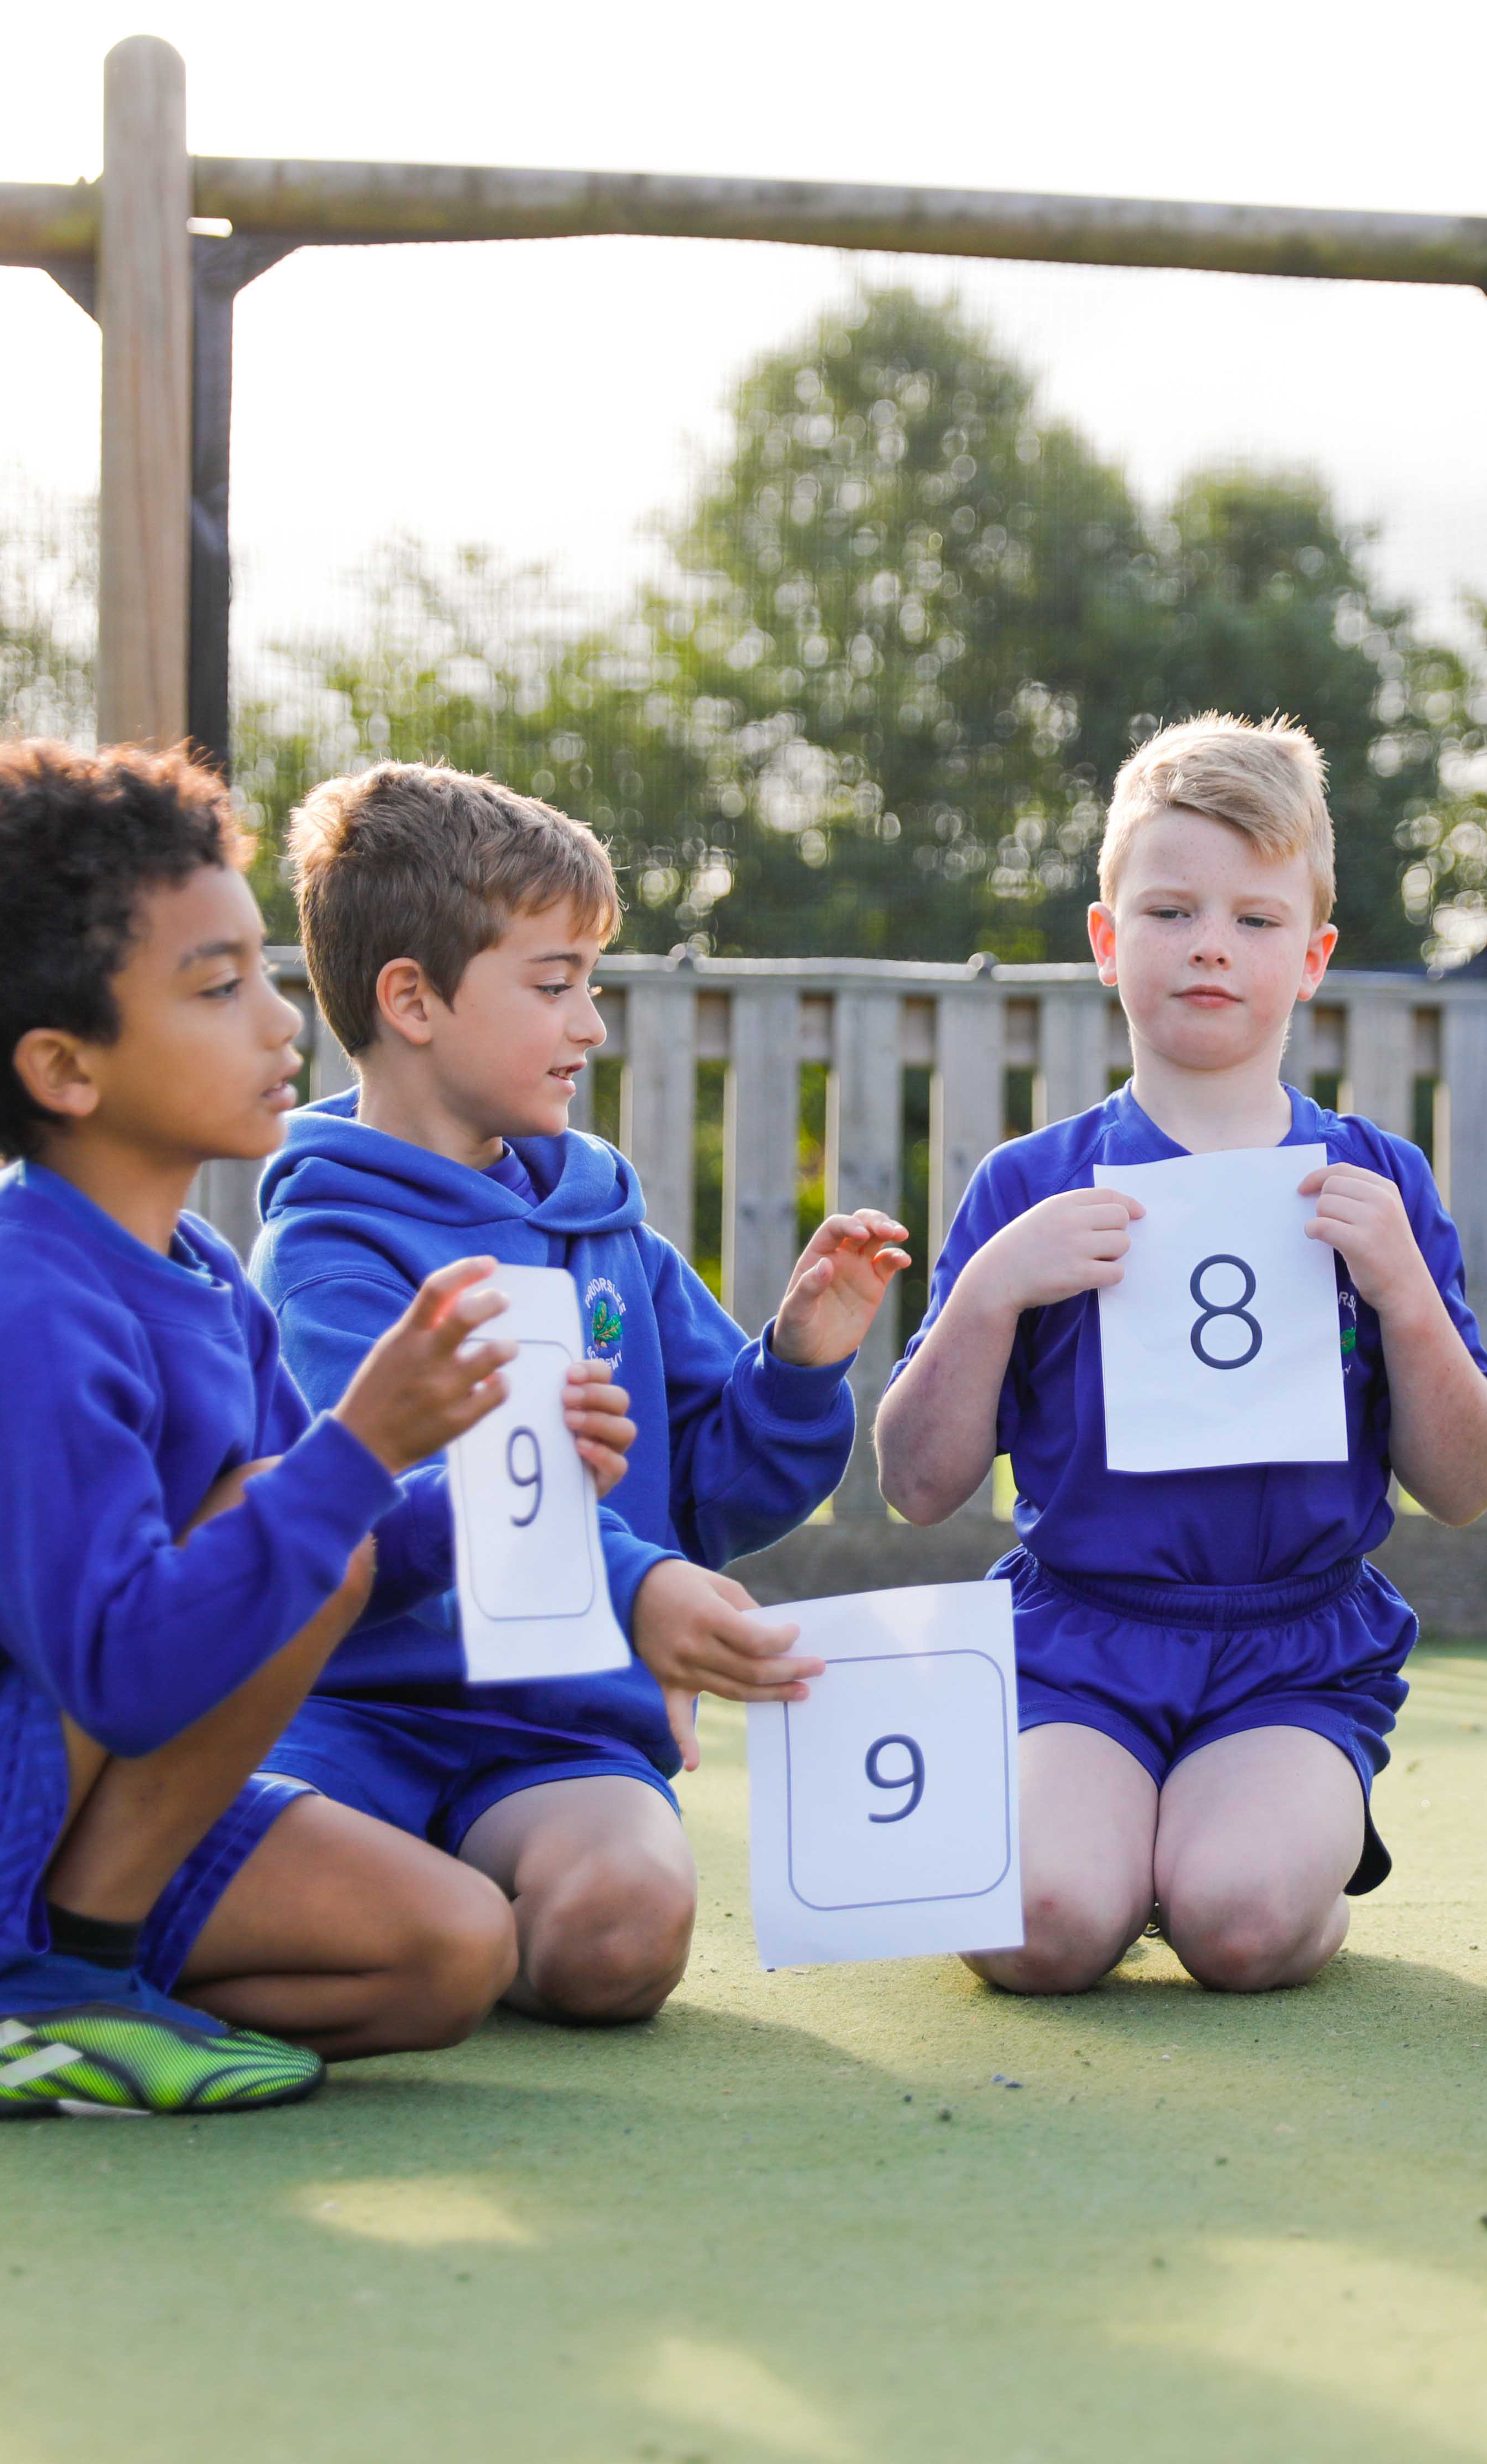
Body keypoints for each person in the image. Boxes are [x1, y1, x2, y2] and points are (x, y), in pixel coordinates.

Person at [0, 740, 542, 2121]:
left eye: (264, 971)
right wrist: (366, 1444)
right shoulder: (8, 1312)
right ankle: (50, 1978)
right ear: (65, 1069)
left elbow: (333, 1553)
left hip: (67, 1800)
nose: (283, 1023)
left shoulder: (204, 1276)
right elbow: (138, 1660)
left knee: (452, 1953)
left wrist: (497, 1488)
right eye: (218, 988)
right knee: (289, 1522)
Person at [251, 763, 907, 2023]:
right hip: (348, 1716)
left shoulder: (605, 1224)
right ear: (413, 999)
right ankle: (435, 1924)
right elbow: (392, 1495)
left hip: (561, 1733)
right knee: (226, 1880)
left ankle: (456, 1921)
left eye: (588, 985)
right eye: (554, 986)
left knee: (622, 1937)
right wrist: (631, 1579)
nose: (590, 1024)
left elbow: (718, 1487)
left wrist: (801, 1361)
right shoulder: (323, 1258)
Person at [872, 716, 1487, 1994]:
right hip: (1079, 1637)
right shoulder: (1028, 1185)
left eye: (1256, 919)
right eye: (1169, 910)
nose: (1212, 942)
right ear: (1109, 941)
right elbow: (915, 1481)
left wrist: (1399, 1289)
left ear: (1314, 956)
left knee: (1240, 1925)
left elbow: (1469, 1480)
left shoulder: (1379, 1180)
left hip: (1294, 1647)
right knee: (1039, 1930)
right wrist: (992, 1295)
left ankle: (1281, 1872)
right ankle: (1109, 1848)